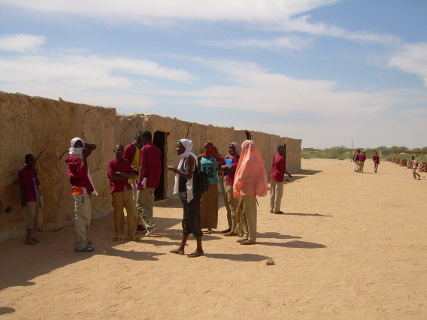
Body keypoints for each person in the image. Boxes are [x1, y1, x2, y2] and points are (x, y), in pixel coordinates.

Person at [168, 139, 204, 258]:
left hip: (191, 194)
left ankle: (199, 249)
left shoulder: (189, 158)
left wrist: (175, 170)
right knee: (186, 220)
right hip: (186, 195)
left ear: (185, 147)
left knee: (194, 219)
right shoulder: (185, 158)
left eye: (179, 147)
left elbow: (189, 176)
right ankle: (182, 247)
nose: (177, 149)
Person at [65, 137, 97, 252]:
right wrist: (83, 155)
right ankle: (80, 245)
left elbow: (94, 146)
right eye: (77, 146)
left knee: (86, 217)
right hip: (79, 192)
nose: (80, 148)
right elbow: (81, 172)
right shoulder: (73, 160)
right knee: (81, 218)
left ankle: (84, 240)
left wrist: (82, 143)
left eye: (81, 145)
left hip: (84, 191)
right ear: (73, 147)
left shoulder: (78, 156)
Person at [233, 140, 268, 245]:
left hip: (247, 190)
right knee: (244, 213)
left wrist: (237, 184)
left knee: (249, 215)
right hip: (246, 190)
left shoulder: (248, 161)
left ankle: (251, 237)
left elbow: (242, 176)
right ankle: (246, 235)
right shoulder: (254, 160)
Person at [107, 144, 140, 241]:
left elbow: (134, 173)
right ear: (114, 151)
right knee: (118, 214)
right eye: (118, 150)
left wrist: (122, 174)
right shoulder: (111, 163)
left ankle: (131, 234)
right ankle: (119, 234)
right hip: (117, 191)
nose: (120, 152)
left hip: (128, 190)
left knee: (132, 212)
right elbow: (112, 176)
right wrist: (126, 175)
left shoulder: (126, 162)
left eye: (122, 150)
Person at [136, 130, 161, 236]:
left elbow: (143, 166)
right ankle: (149, 228)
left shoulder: (144, 149)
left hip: (145, 181)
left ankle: (150, 226)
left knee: (139, 204)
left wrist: (139, 181)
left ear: (144, 138)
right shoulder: (157, 149)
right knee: (149, 205)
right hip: (154, 181)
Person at [198, 141, 225, 234]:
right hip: (202, 184)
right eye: (205, 147)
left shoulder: (215, 157)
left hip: (213, 183)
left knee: (211, 205)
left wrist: (219, 167)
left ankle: (210, 226)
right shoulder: (200, 157)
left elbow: (224, 161)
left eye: (208, 147)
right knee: (201, 205)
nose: (206, 149)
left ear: (212, 148)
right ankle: (200, 225)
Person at [18, 154, 42, 245]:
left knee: (36, 218)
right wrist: (23, 199)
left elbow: (37, 184)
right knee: (30, 217)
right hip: (29, 197)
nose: (32, 162)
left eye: (33, 160)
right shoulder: (22, 172)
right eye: (30, 160)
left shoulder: (33, 171)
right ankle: (28, 237)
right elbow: (21, 186)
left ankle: (32, 236)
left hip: (35, 196)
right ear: (26, 161)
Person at [221, 142, 240, 236]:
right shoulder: (229, 158)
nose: (231, 150)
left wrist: (225, 166)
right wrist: (225, 165)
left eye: (233, 148)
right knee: (228, 206)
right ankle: (230, 226)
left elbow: (231, 168)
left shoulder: (238, 158)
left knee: (233, 206)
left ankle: (235, 229)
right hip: (226, 181)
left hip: (233, 183)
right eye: (229, 148)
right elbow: (223, 167)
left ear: (237, 149)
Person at [270, 145, 292, 214]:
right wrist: (289, 174)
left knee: (272, 193)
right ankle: (276, 210)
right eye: (282, 150)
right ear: (279, 150)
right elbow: (283, 169)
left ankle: (272, 208)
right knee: (278, 194)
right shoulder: (281, 158)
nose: (284, 151)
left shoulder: (275, 156)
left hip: (273, 176)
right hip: (278, 177)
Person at [123, 131, 144, 201]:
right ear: (135, 137)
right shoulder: (129, 148)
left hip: (141, 177)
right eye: (139, 138)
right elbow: (124, 162)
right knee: (134, 198)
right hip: (132, 177)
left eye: (142, 138)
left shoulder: (143, 148)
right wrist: (133, 168)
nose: (140, 140)